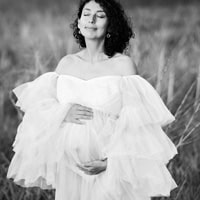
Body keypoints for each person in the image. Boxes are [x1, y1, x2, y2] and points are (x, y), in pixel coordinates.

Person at [7, 0, 178, 199]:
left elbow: (136, 123)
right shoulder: (66, 64)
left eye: (101, 15)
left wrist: (112, 163)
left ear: (110, 24)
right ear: (79, 23)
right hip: (70, 167)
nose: (92, 19)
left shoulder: (123, 66)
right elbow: (39, 111)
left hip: (108, 168)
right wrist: (63, 112)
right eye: (86, 14)